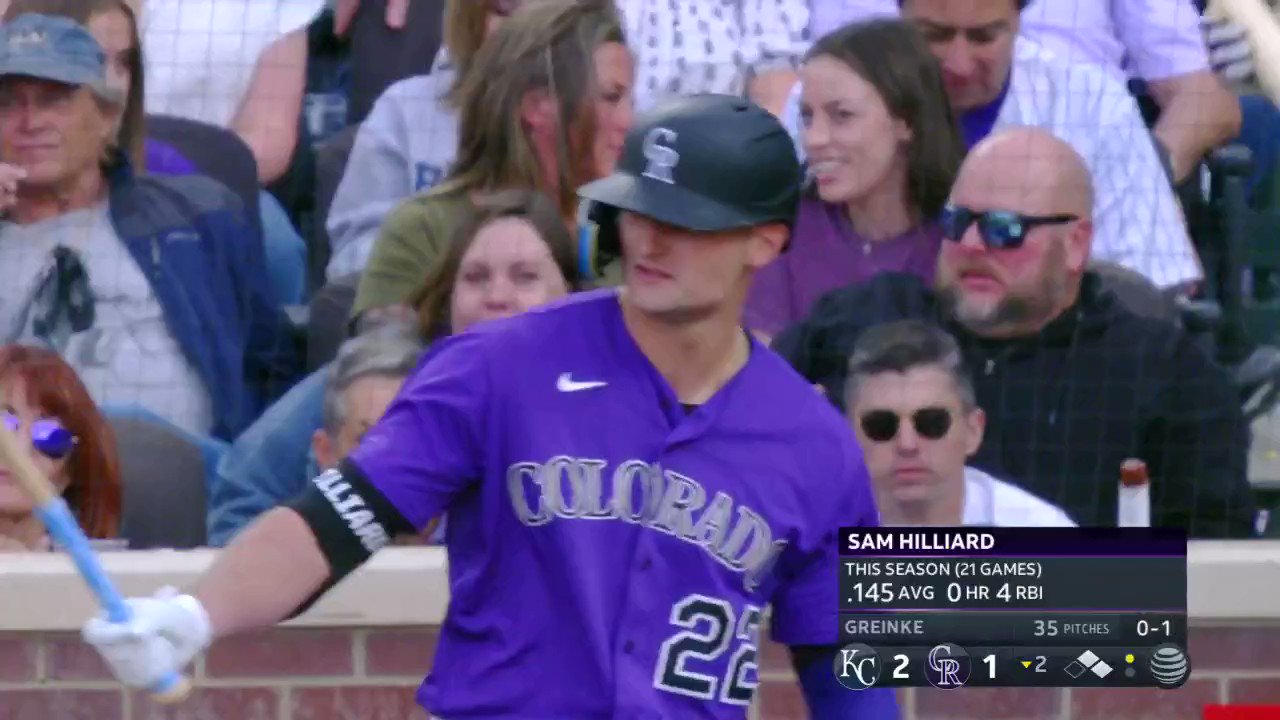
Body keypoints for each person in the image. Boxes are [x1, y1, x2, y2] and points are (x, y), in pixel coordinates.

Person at [82, 94, 898, 718]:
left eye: (687, 221)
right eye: (640, 211)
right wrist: (197, 613)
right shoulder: (500, 366)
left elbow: (849, 665)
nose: (650, 240)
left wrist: (1023, 606)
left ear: (766, 240)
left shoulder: (816, 442)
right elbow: (337, 521)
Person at [775, 126, 1256, 537]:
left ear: (1075, 244)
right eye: (957, 222)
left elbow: (1211, 568)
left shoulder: (1166, 376)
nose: (970, 245)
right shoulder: (861, 319)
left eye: (1004, 230)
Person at [206, 189, 581, 546]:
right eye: (475, 277)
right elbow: (241, 507)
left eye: (525, 277)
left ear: (572, 294)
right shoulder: (377, 376)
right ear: (449, 297)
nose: (497, 297)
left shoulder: (614, 396)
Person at [0, 14, 299, 441]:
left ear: (107, 116)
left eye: (55, 99)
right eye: (7, 102)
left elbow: (270, 368)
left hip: (185, 483)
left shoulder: (200, 217)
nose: (30, 122)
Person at [787, 0, 1202, 293]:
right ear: (900, 14)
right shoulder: (823, 102)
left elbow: (1148, 283)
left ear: (1019, 19)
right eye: (935, 35)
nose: (959, 62)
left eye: (984, 37)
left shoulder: (1090, 102)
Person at [351, 0, 633, 326]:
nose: (628, 120)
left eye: (628, 100)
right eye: (611, 98)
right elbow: (377, 364)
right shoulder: (423, 230)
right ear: (537, 106)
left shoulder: (625, 233)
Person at [745, 18, 963, 338]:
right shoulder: (784, 228)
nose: (813, 139)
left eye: (842, 116)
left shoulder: (959, 238)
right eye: (807, 116)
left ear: (907, 121)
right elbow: (764, 360)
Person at [846, 319, 1075, 527]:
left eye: (932, 423)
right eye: (881, 426)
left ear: (973, 431)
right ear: (846, 437)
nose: (907, 444)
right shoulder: (817, 536)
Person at [0, 344, 122, 551]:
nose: (19, 448)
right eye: (3, 424)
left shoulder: (102, 574)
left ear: (71, 473)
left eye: (50, 436)